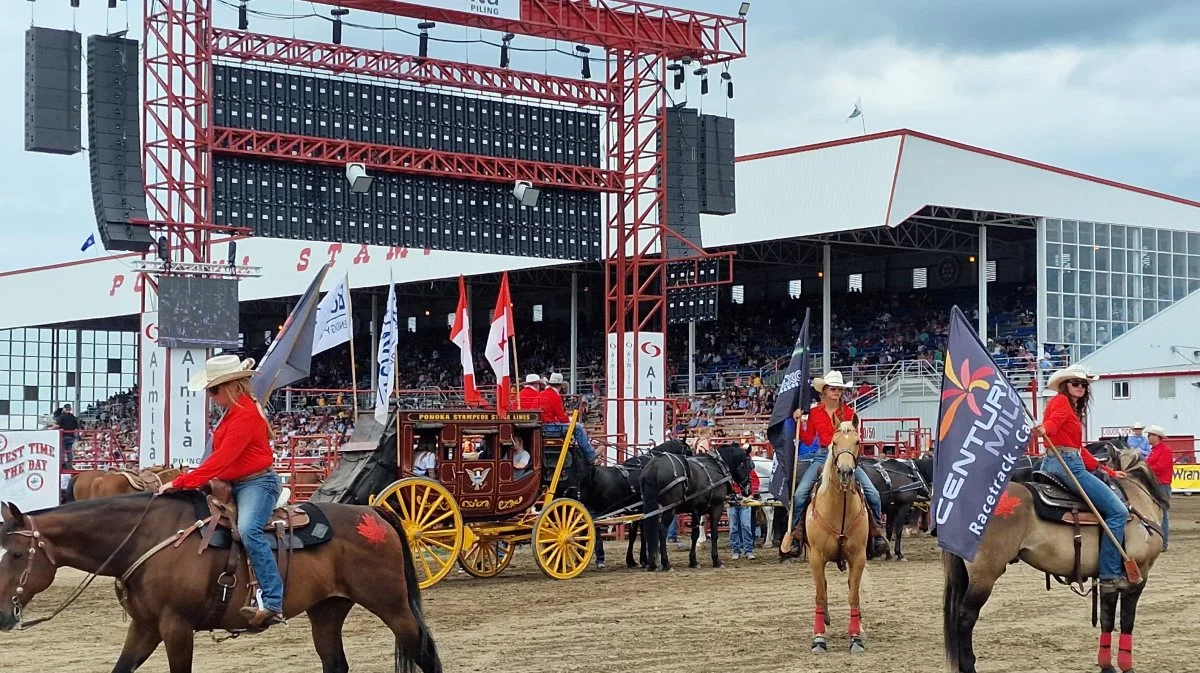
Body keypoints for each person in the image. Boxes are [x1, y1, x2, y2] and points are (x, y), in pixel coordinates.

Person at [158, 355, 286, 627]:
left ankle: (273, 601)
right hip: (235, 482)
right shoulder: (233, 412)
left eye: (213, 389)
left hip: (257, 483)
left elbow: (222, 458)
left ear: (232, 386)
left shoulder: (246, 415)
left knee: (250, 530)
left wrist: (183, 481)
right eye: (209, 390)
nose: (210, 395)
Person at [1034, 364, 1130, 593]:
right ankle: (1109, 574)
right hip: (1067, 465)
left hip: (1060, 460)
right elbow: (1054, 425)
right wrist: (1044, 429)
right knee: (1119, 512)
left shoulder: (1071, 407)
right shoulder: (1061, 401)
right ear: (1064, 385)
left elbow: (1078, 448)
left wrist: (1107, 471)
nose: (1081, 388)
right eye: (1076, 383)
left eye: (1084, 384)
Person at [787, 370, 888, 556]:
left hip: (846, 456)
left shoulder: (850, 413)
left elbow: (857, 437)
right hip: (822, 455)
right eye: (833, 389)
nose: (837, 392)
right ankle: (797, 534)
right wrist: (800, 422)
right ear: (823, 391)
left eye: (840, 389)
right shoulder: (815, 413)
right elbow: (809, 439)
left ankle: (876, 533)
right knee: (800, 494)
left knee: (872, 493)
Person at [540, 372, 597, 463]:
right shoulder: (554, 396)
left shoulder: (542, 393)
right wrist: (570, 420)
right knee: (578, 427)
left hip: (544, 425)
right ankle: (590, 455)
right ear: (560, 386)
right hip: (549, 427)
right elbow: (561, 417)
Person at [1144, 425, 1174, 551]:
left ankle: (1163, 543)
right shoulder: (1156, 450)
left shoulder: (1164, 450)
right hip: (1157, 484)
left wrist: (1145, 469)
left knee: (1162, 514)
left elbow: (1160, 468)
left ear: (1157, 437)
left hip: (1161, 484)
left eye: (1150, 435)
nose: (1148, 437)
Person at [728, 451, 760, 560]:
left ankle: (745, 550)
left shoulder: (744, 469)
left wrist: (752, 494)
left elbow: (755, 481)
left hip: (743, 500)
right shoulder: (732, 470)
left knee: (744, 526)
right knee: (735, 527)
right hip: (735, 500)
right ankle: (740, 550)